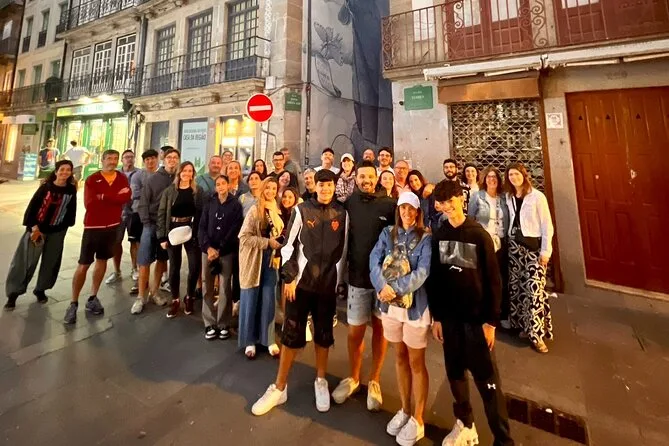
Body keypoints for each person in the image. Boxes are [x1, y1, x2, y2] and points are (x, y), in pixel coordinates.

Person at [252, 169, 348, 416]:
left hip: (326, 287)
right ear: (315, 186)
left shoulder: (342, 213)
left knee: (323, 336)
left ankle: (321, 381)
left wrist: (338, 283)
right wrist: (289, 277)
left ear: (335, 187)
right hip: (301, 285)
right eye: (321, 185)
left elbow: (344, 250)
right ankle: (279, 387)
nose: (325, 189)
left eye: (329, 185)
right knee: (291, 335)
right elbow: (288, 246)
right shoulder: (301, 210)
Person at [428, 180, 514, 446]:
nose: (448, 207)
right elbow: (435, 279)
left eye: (451, 201)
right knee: (455, 374)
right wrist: (437, 317)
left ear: (461, 200)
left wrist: (491, 321)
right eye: (443, 203)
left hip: (476, 321)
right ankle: (465, 424)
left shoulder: (479, 235)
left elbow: (494, 281)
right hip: (450, 319)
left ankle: (503, 439)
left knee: (488, 382)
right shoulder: (440, 234)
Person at [332, 160, 395, 411]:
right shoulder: (350, 203)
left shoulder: (389, 205)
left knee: (380, 330)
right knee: (354, 332)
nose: (366, 181)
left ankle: (375, 380)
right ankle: (354, 377)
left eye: (370, 176)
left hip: (383, 283)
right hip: (357, 279)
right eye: (362, 177)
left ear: (377, 177)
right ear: (355, 178)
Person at [370, 191, 432, 446]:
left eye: (411, 208)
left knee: (416, 362)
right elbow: (374, 259)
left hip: (414, 308)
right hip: (390, 307)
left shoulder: (425, 238)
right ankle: (405, 409)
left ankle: (418, 418)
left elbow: (423, 271)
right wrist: (381, 286)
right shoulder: (388, 233)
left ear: (417, 211)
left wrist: (394, 288)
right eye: (402, 208)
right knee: (399, 357)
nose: (406, 212)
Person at [64, 150, 131, 324]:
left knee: (102, 261)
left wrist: (105, 196)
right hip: (93, 226)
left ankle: (93, 297)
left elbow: (126, 197)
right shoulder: (93, 179)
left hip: (112, 226)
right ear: (102, 160)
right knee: (84, 264)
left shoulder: (121, 178)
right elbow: (90, 203)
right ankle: (73, 303)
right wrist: (114, 197)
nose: (112, 161)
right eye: (109, 158)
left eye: (115, 159)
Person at [5, 160, 77, 310]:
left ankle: (40, 289)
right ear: (56, 171)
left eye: (68, 170)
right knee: (25, 262)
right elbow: (32, 207)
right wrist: (33, 227)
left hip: (57, 231)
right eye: (62, 169)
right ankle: (13, 294)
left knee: (51, 262)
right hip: (37, 230)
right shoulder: (46, 187)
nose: (65, 172)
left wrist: (65, 227)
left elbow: (71, 210)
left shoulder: (71, 189)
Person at [505, 163, 554, 353]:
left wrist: (546, 251)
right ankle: (523, 327)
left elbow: (547, 224)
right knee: (518, 289)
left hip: (533, 248)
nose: (514, 177)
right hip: (514, 247)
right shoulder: (509, 196)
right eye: (510, 175)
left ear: (524, 175)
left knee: (534, 290)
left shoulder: (537, 196)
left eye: (516, 174)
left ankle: (537, 334)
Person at [238, 177, 283, 359]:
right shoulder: (254, 210)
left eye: (274, 188)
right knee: (251, 299)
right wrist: (267, 243)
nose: (271, 191)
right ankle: (249, 340)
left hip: (271, 261)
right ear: (262, 189)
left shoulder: (277, 210)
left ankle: (268, 339)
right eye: (268, 188)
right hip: (254, 259)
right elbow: (244, 237)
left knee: (269, 299)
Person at [131, 147, 180, 314]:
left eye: (175, 158)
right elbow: (144, 202)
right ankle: (140, 296)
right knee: (144, 260)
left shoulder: (179, 178)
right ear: (164, 160)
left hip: (168, 227)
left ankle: (155, 291)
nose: (172, 160)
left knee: (161, 259)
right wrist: (146, 222)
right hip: (151, 224)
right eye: (169, 157)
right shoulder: (153, 179)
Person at [199, 175, 244, 340]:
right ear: (215, 187)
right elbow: (202, 226)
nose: (220, 186)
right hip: (208, 251)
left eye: (223, 183)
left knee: (225, 287)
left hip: (226, 251)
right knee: (207, 286)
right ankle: (209, 322)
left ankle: (223, 323)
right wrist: (208, 247)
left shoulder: (235, 205)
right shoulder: (209, 203)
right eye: (218, 184)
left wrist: (220, 248)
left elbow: (235, 228)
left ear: (228, 185)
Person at [158, 161, 203, 319]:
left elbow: (200, 212)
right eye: (184, 170)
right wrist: (162, 236)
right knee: (174, 267)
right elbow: (162, 213)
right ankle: (175, 299)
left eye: (190, 171)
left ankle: (189, 296)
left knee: (194, 266)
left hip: (191, 230)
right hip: (173, 230)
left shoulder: (197, 191)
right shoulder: (170, 191)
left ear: (193, 173)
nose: (187, 173)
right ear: (179, 173)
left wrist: (199, 233)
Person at [469, 167, 511, 329]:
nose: (492, 179)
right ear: (484, 179)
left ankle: (501, 313)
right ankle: (482, 313)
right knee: (482, 278)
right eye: (489, 177)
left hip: (501, 242)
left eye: (494, 177)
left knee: (500, 279)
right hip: (483, 243)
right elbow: (471, 219)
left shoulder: (504, 197)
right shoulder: (477, 197)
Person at [127, 149, 159, 295]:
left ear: (157, 159)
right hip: (138, 213)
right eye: (147, 159)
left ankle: (158, 281)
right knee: (140, 247)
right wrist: (154, 194)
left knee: (158, 249)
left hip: (157, 216)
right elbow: (135, 194)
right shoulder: (137, 175)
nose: (150, 161)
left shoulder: (161, 175)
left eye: (153, 158)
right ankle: (141, 278)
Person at [106, 150, 139, 285]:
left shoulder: (139, 173)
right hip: (118, 213)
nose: (129, 159)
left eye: (131, 157)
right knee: (116, 242)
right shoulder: (114, 174)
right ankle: (116, 270)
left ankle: (134, 268)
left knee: (134, 241)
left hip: (134, 213)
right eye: (126, 157)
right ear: (122, 160)